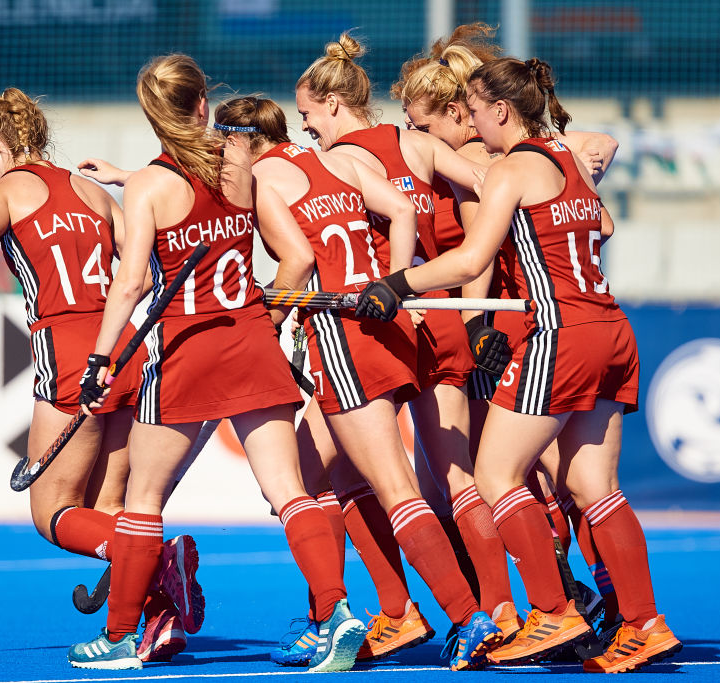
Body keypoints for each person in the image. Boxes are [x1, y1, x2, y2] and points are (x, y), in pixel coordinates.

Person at [356, 56, 682, 672]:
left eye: (476, 112)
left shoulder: (511, 169)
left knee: (496, 477)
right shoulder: (569, 163)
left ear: (502, 110)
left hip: (560, 331)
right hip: (612, 329)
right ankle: (644, 623)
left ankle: (551, 612)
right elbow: (603, 225)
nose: (472, 125)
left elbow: (467, 259)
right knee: (594, 488)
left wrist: (396, 284)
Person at [66, 55, 364, 673]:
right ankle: (336, 613)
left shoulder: (151, 185)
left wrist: (99, 358)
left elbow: (126, 286)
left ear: (152, 115)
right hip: (252, 339)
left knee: (142, 499)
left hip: (184, 349)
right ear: (203, 104)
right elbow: (299, 257)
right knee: (289, 491)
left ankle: (122, 636)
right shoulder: (242, 165)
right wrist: (265, 319)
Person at [218, 93, 504, 671]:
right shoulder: (338, 159)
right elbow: (402, 210)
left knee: (394, 486)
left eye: (222, 143)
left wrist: (265, 325)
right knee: (313, 473)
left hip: (344, 337)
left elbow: (294, 261)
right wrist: (395, 286)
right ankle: (360, 613)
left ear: (240, 139)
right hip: (386, 323)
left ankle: (466, 615)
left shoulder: (260, 176)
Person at [0, 87, 201, 662]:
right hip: (126, 349)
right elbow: (142, 270)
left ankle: (155, 557)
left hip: (69, 354)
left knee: (51, 511)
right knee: (109, 505)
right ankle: (155, 612)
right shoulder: (91, 190)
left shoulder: (2, 192)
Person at [391, 22, 623, 641]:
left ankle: (548, 606)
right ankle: (609, 607)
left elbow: (476, 256)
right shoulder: (503, 155)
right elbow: (597, 208)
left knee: (513, 476)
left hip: (527, 331)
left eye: (422, 122)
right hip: (562, 324)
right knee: (564, 478)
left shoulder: (481, 162)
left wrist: (471, 322)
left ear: (465, 114)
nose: (415, 135)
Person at [295, 31, 520, 650]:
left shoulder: (333, 162)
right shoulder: (412, 142)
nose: (307, 128)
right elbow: (491, 177)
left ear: (335, 105)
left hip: (373, 322)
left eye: (310, 115)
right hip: (438, 312)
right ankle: (500, 612)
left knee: (329, 474)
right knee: (457, 477)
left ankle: (406, 610)